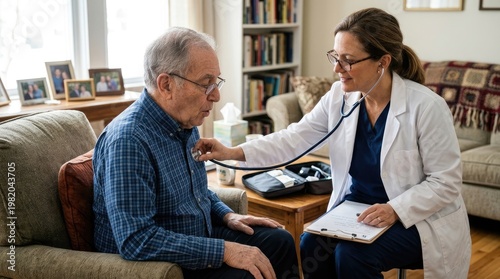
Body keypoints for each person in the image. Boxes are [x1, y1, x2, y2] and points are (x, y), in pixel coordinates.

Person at [195, 7, 471, 279]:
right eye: (335, 57)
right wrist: (232, 151)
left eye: (348, 60)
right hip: (358, 210)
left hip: (416, 218)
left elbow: (445, 182)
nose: (337, 69)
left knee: (353, 256)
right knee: (311, 245)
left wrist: (394, 210)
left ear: (382, 62)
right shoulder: (340, 97)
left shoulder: (426, 106)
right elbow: (293, 138)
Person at [92, 27, 298, 279]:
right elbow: (136, 239)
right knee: (247, 275)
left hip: (197, 235)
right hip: (159, 264)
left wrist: (228, 215)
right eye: (205, 83)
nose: (217, 95)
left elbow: (196, 192)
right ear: (166, 84)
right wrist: (223, 251)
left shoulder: (185, 121)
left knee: (280, 241)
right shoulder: (129, 141)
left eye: (216, 82)